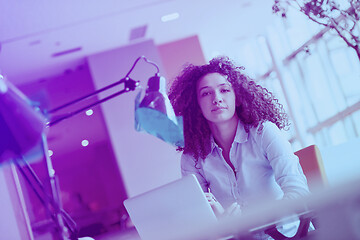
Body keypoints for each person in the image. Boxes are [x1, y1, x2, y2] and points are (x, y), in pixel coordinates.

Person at [168, 56, 310, 239]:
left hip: (285, 236)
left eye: (224, 90)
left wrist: (250, 222)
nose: (216, 98)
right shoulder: (192, 157)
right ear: (196, 105)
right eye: (205, 93)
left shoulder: (264, 132)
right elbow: (198, 221)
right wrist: (219, 221)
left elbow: (298, 193)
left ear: (237, 97)